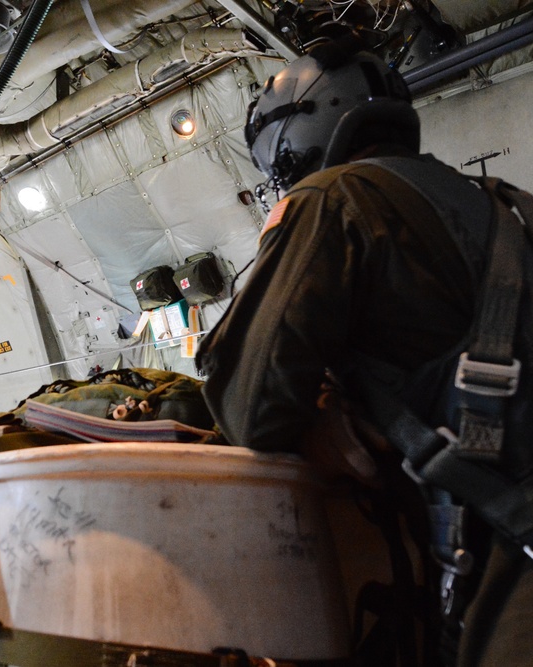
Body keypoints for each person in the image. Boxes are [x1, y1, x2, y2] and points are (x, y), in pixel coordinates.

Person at [198, 36, 533, 667]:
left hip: (513, 548)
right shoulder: (502, 205)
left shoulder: (333, 200)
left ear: (289, 140)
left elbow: (250, 406)